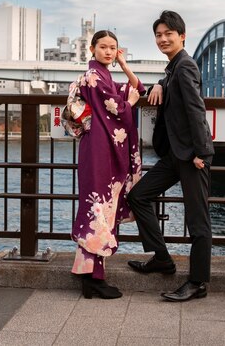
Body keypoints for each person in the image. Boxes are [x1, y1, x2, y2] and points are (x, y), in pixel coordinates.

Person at [127, 10, 214, 302]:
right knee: (138, 196)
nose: (163, 39)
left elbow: (196, 110)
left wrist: (202, 152)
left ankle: (198, 282)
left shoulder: (185, 66)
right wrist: (160, 84)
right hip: (176, 154)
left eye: (169, 34)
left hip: (192, 156)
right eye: (159, 35)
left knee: (198, 221)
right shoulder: (173, 68)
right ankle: (162, 258)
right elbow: (173, 86)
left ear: (182, 36)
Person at [71, 30, 144, 299]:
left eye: (113, 48)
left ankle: (89, 275)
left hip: (102, 149)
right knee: (98, 208)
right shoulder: (94, 77)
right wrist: (129, 105)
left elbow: (137, 88)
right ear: (92, 49)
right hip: (99, 150)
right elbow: (118, 107)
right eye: (103, 47)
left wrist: (124, 65)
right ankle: (93, 278)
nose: (109, 52)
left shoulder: (105, 75)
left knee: (99, 208)